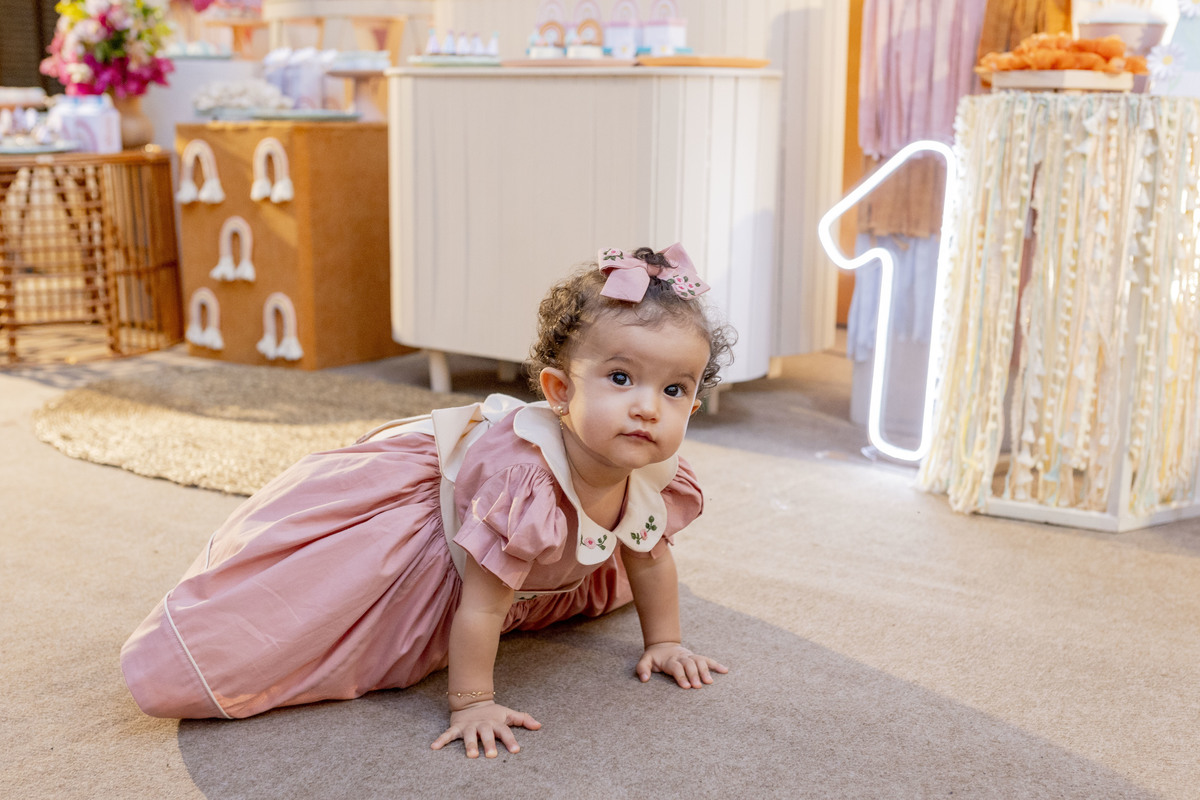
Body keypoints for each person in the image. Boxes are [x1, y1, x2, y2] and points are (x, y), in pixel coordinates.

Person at [120, 243, 735, 759]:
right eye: (621, 379)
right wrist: (474, 703)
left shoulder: (653, 467)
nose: (648, 408)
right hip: (448, 542)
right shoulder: (526, 486)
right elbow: (483, 607)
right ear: (558, 391)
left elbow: (650, 555)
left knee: (608, 570)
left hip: (534, 556)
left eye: (674, 390)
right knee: (300, 626)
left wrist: (665, 642)